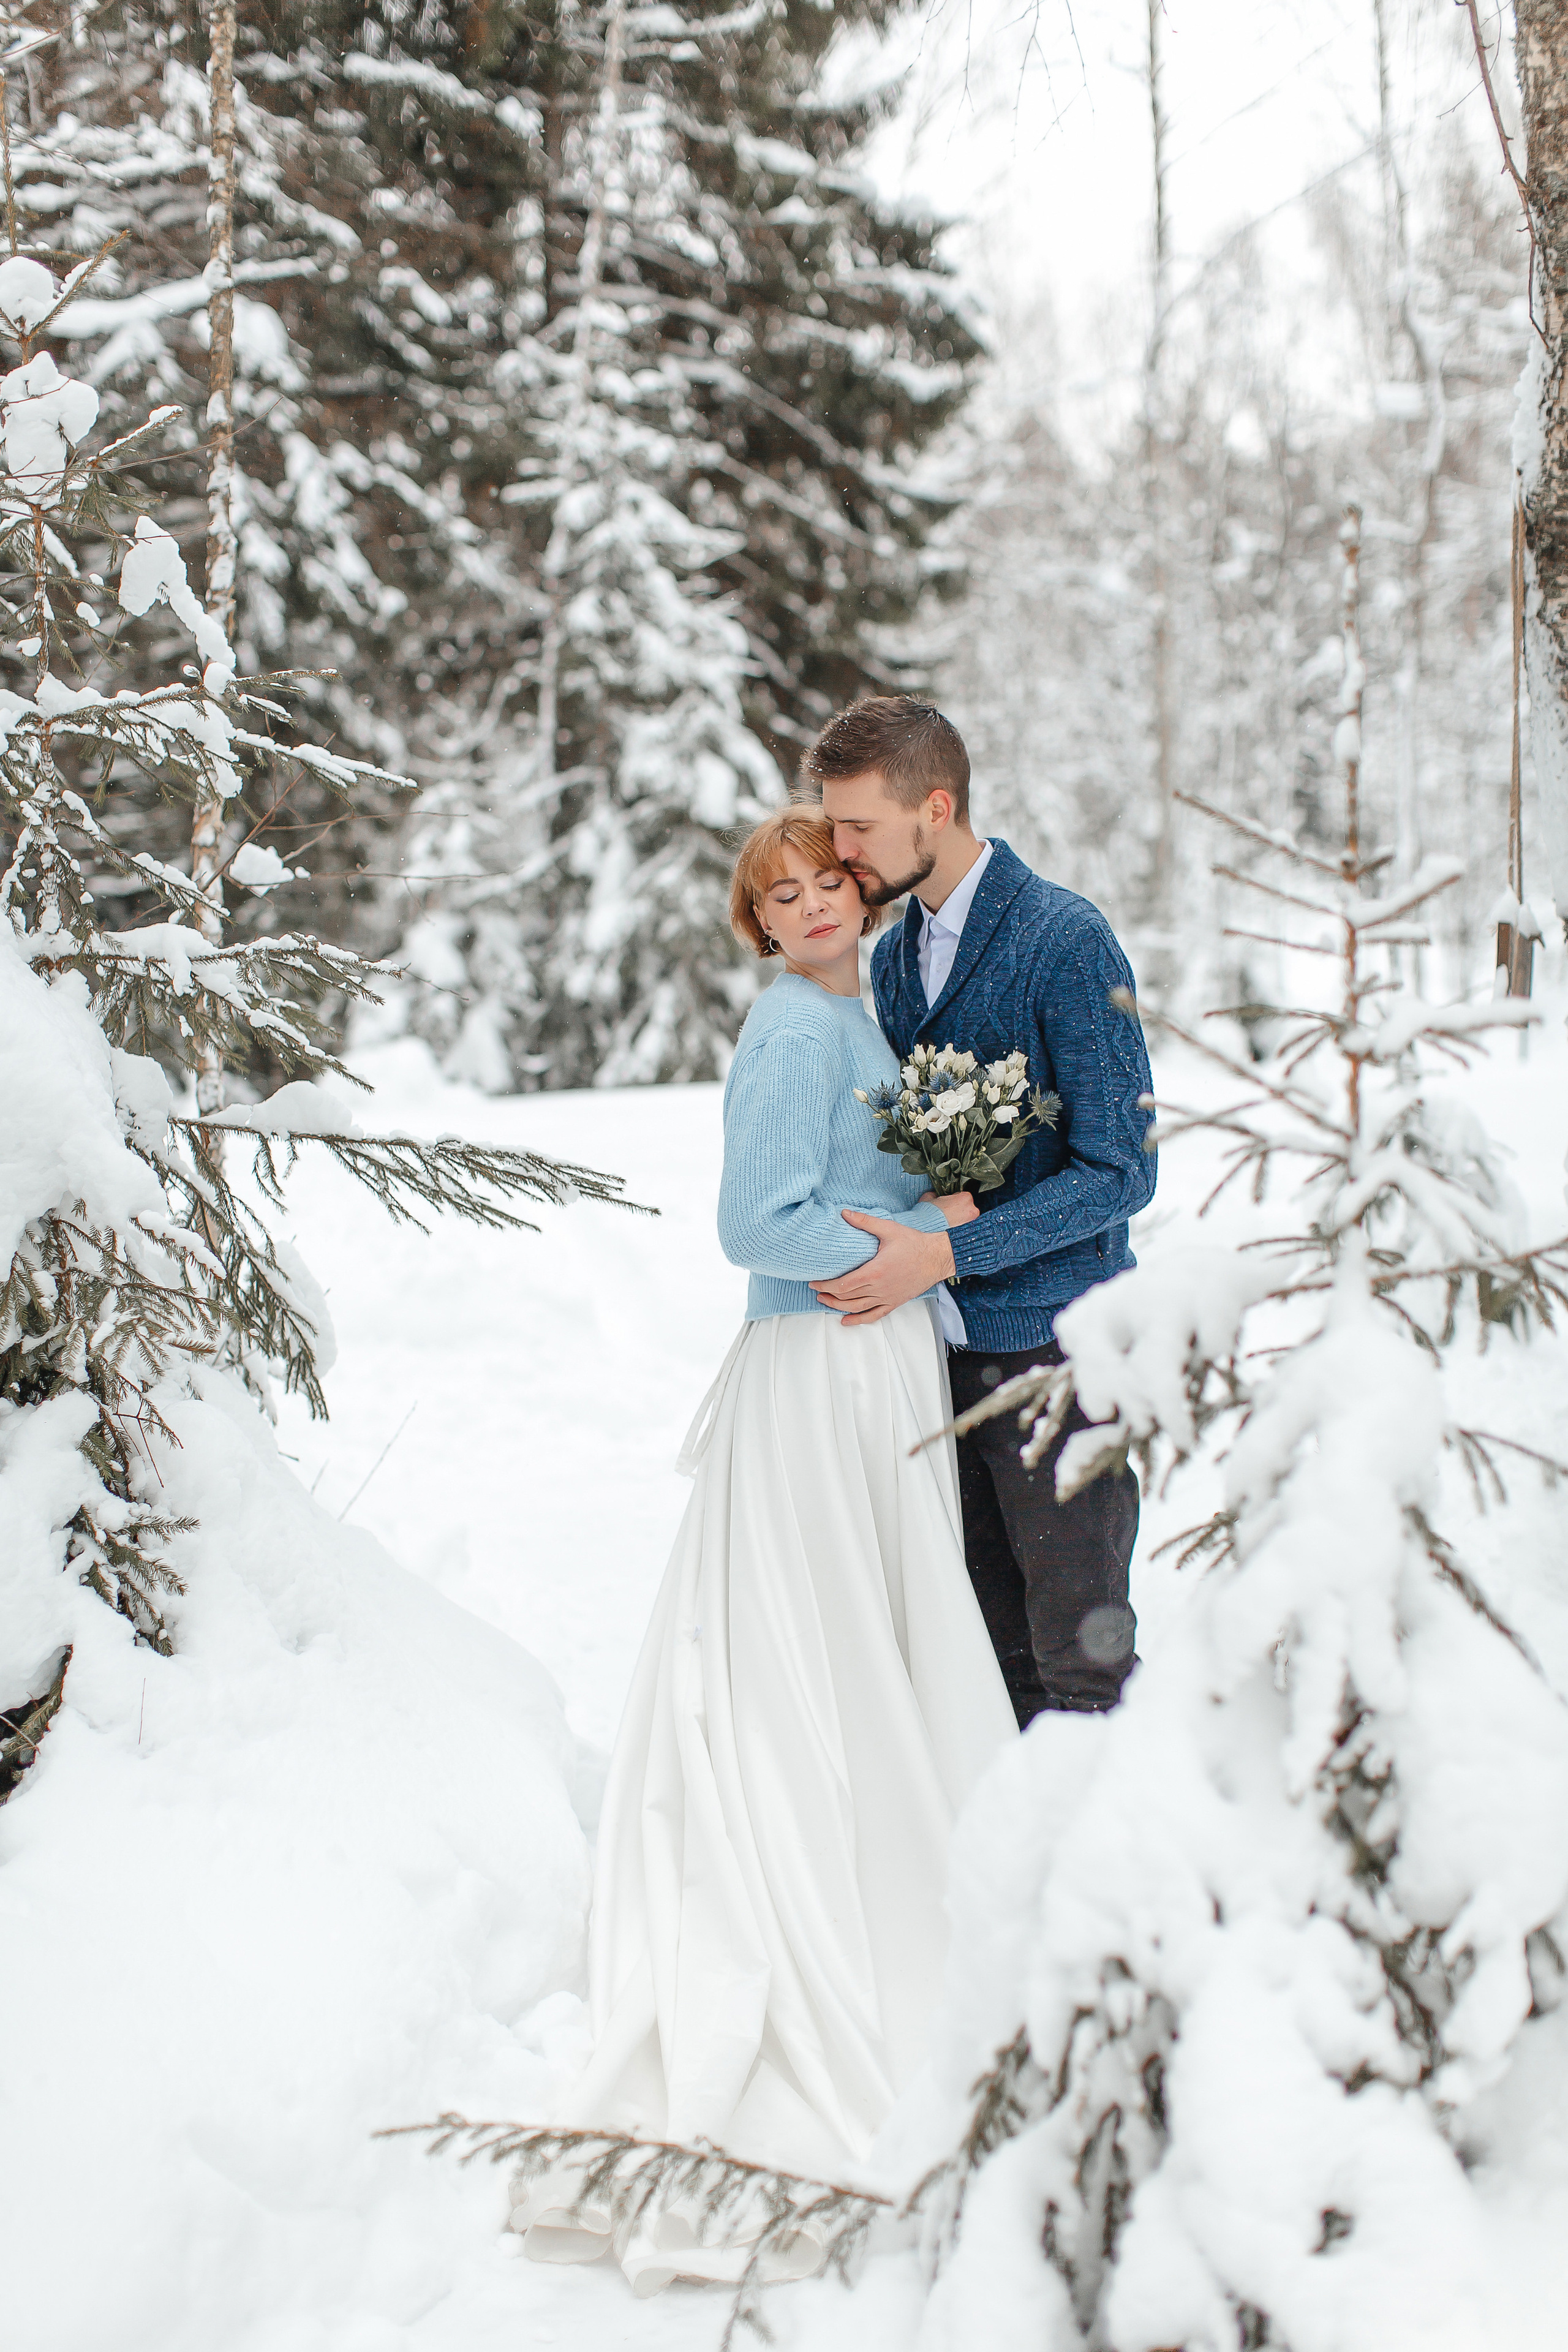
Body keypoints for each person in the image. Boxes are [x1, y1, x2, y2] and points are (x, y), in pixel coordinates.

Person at [512, 807, 1016, 2296]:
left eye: (822, 882)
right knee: (821, 1635)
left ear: (860, 887)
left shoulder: (873, 1015)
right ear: (759, 925)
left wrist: (941, 1208)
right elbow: (756, 1222)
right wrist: (891, 1259)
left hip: (879, 1360)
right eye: (775, 897)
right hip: (822, 1366)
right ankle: (820, 1897)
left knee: (874, 1626)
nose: (805, 907)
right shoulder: (792, 1032)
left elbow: (870, 1185)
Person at [804, 696, 1156, 1727]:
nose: (841, 852)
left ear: (936, 807)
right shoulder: (891, 958)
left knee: (1082, 1664)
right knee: (985, 1662)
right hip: (936, 1361)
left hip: (1056, 1361)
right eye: (833, 824)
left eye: (860, 826)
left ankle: (1113, 1834)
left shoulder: (1066, 939)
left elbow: (1121, 1172)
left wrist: (951, 1252)